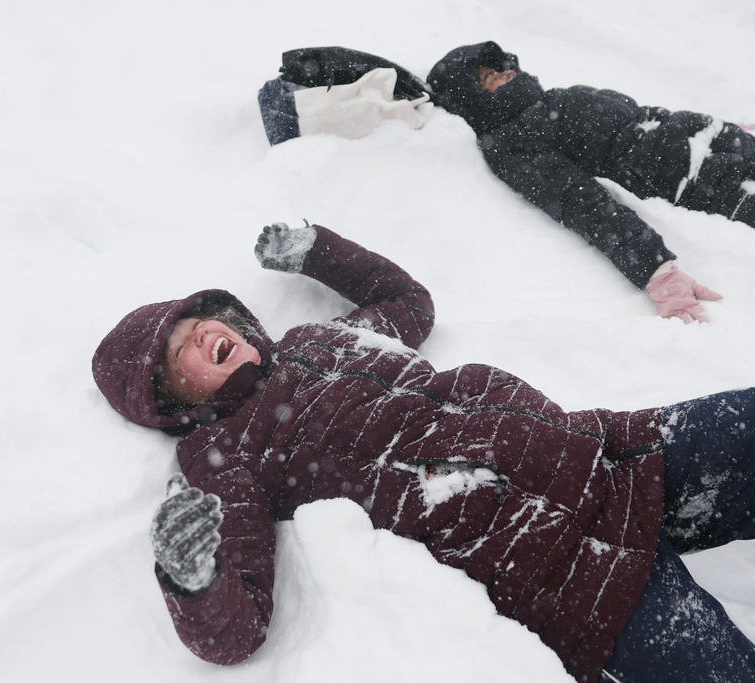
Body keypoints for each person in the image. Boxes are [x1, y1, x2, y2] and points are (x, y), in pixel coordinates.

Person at [92, 223, 755, 683]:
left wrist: (319, 250)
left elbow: (408, 303)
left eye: (197, 320)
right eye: (180, 353)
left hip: (606, 453)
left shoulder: (316, 337)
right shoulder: (221, 451)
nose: (199, 334)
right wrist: (193, 576)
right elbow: (237, 631)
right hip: (564, 570)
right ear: (180, 404)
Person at [426, 41, 755, 324]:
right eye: (488, 78)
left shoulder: (549, 100)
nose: (504, 73)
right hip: (684, 176)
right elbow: (584, 204)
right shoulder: (513, 143)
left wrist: (717, 130)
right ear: (475, 100)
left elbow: (638, 117)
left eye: (497, 67)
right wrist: (655, 270)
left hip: (694, 136)